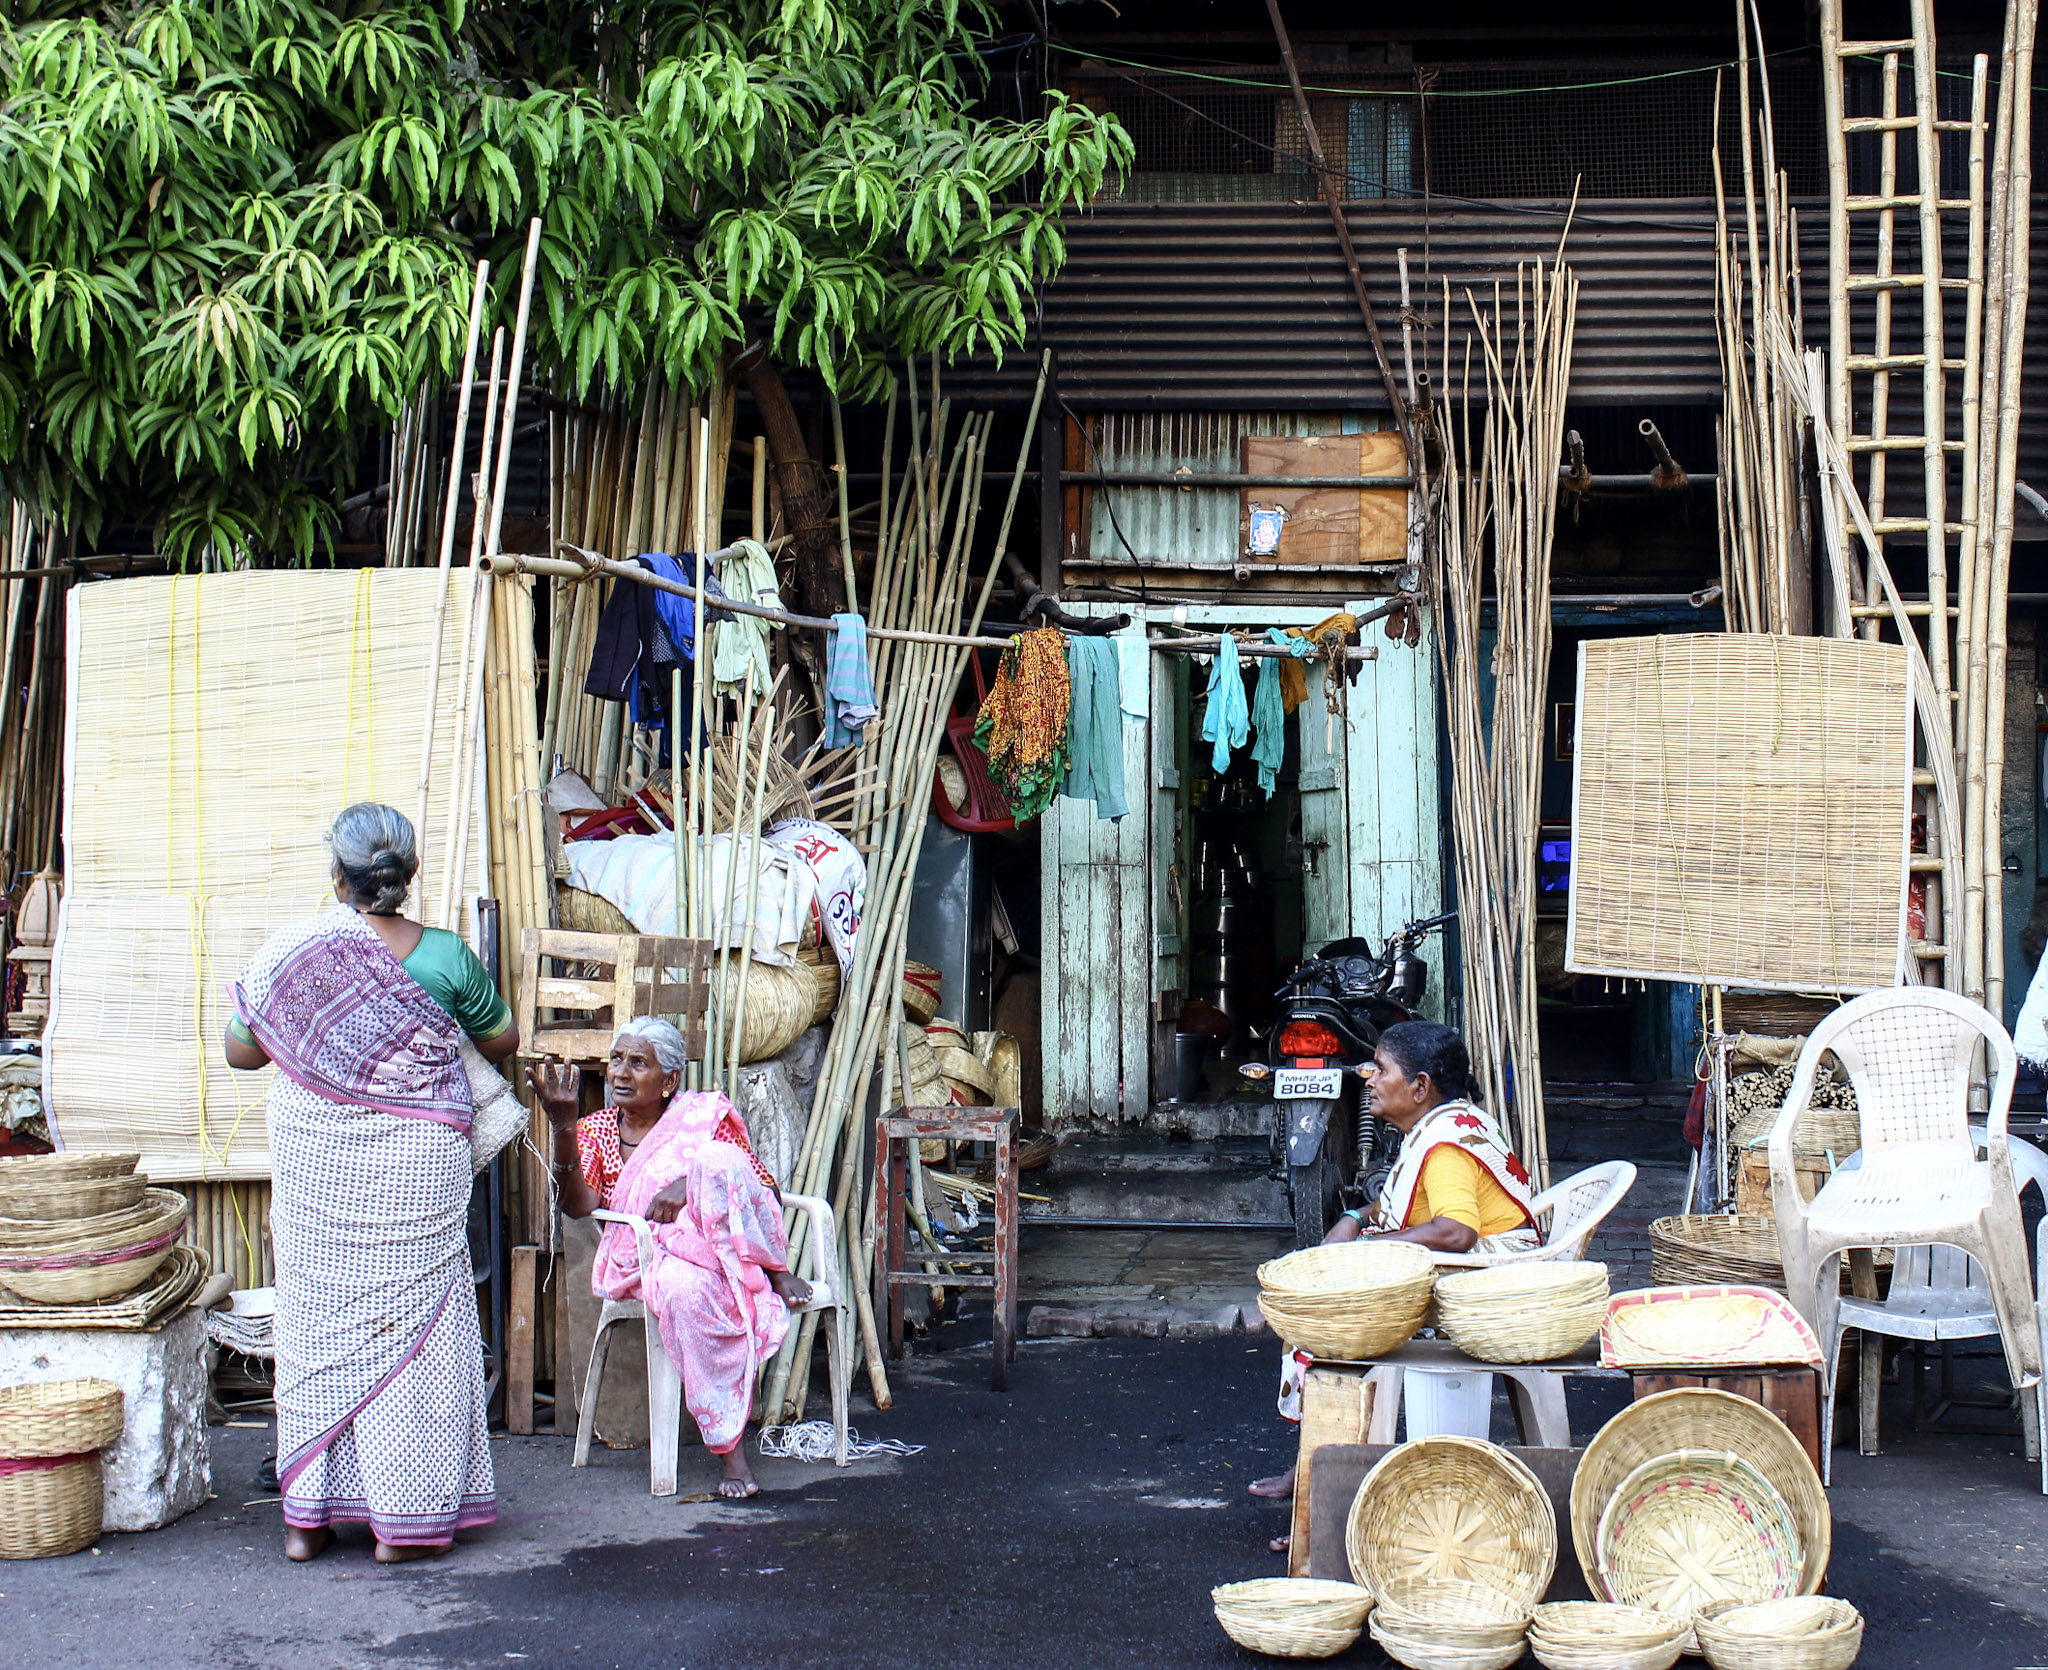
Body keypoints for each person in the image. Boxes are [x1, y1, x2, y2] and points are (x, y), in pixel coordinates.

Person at [225, 803, 518, 1565]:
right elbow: (502, 1040)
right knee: (415, 1335)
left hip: (317, 1163)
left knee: (320, 1326)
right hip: (417, 1166)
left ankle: (306, 1522)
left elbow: (241, 1052)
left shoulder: (296, 952)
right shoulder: (449, 956)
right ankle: (402, 1521)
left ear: (337, 873)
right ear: (409, 874)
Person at [1250, 1020, 1539, 1530]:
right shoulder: (1444, 1124)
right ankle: (1314, 1472)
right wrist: (1355, 1218)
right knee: (1322, 1292)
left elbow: (1456, 1233)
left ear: (1420, 1087)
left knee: (1325, 1316)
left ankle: (1324, 1502)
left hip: (1481, 1283)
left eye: (1381, 1070)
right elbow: (1408, 1201)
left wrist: (1367, 1249)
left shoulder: (1445, 1145)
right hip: (1465, 1270)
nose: (1370, 1080)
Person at [533, 1017, 811, 1500]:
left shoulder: (704, 1117)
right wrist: (561, 1126)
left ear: (670, 1081)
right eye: (617, 1059)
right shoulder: (596, 1131)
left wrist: (689, 1185)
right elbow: (579, 1206)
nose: (621, 1072)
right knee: (685, 1291)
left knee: (716, 1162)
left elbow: (759, 1183)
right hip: (650, 1255)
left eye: (638, 1063)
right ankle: (731, 1451)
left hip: (720, 1246)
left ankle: (771, 1269)